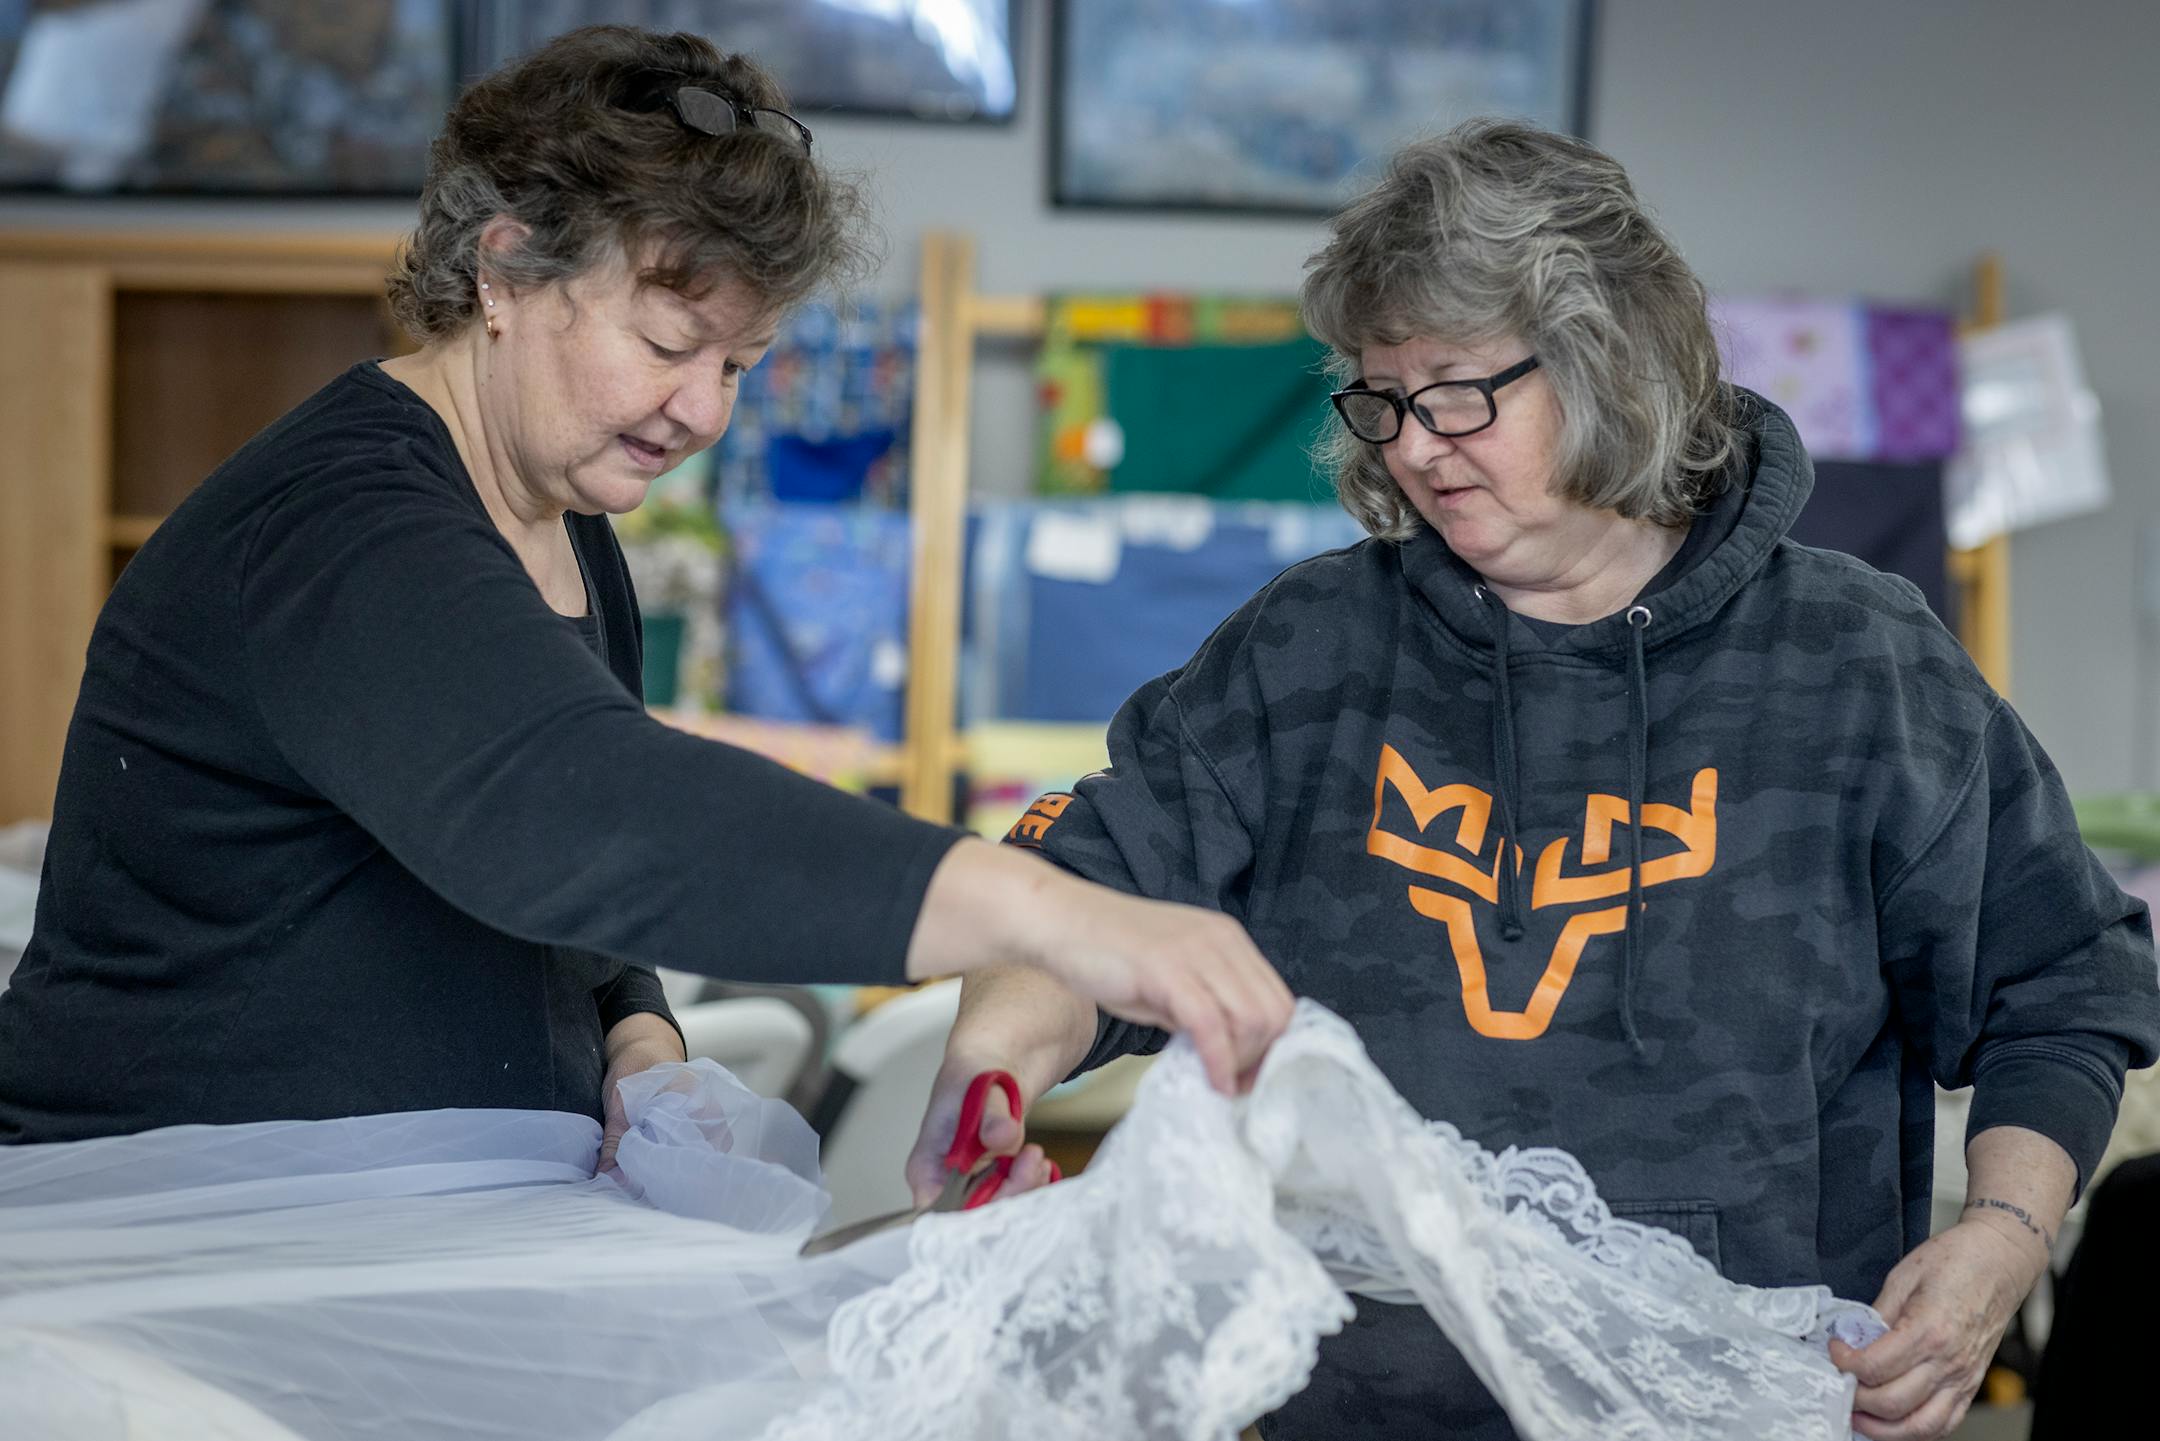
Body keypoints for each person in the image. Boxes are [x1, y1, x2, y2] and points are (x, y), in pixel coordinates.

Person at [908, 119, 2160, 1441]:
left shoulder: (1859, 662)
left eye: (1458, 394)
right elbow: (1090, 887)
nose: (1413, 447)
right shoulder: (1308, 651)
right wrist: (992, 1062)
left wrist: (2004, 1244)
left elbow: (2064, 985)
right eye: (1381, 401)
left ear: (1610, 362)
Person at [0, 26, 1292, 1158]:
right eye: (671, 346)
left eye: (739, 365)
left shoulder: (555, 516)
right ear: (503, 272)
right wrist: (1047, 910)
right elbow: (576, 803)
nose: (700, 411)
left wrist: (633, 1022)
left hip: (400, 1213)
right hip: (191, 1219)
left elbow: (540, 869)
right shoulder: (342, 531)